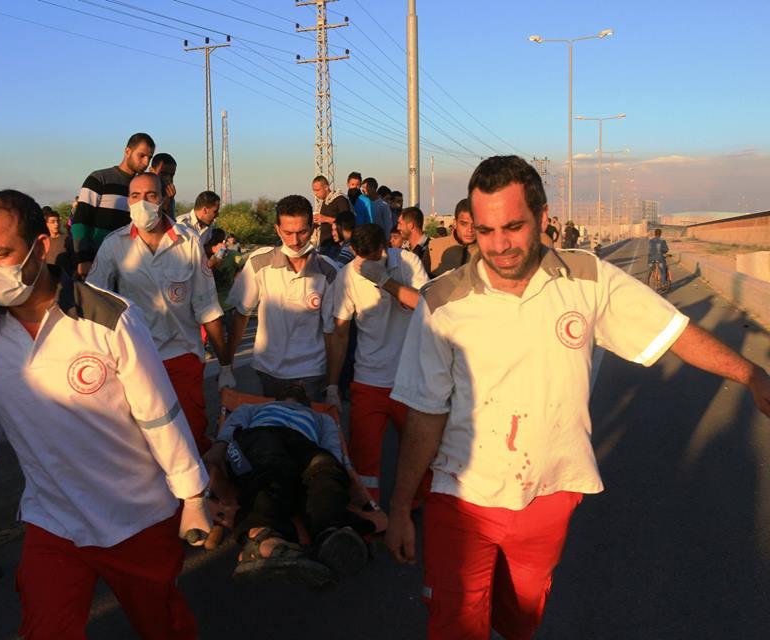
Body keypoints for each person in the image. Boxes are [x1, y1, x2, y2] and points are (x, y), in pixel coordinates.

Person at [385, 155, 770, 639]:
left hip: (550, 494)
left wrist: (750, 373)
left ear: (542, 217)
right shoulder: (442, 303)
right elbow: (425, 413)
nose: (499, 245)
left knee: (520, 619)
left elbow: (670, 331)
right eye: (485, 231)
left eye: (513, 227)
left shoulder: (587, 279)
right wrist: (400, 506)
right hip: (460, 497)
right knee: (456, 623)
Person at [0, 189, 211, 639]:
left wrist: (191, 495)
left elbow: (157, 413)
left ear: (40, 246)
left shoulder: (108, 318)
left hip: (137, 517)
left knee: (163, 626)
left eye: (1, 254)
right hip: (53, 520)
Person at [87, 173, 229, 453]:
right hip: (134, 361)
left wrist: (226, 366)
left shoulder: (188, 242)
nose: (142, 203)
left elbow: (208, 308)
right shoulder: (114, 245)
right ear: (128, 201)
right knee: (143, 448)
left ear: (163, 199)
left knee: (190, 440)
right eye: (135, 196)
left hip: (183, 356)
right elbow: (93, 303)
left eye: (151, 195)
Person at [204, 385, 370, 585]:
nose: (298, 385)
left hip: (303, 446)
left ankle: (330, 531)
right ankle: (262, 537)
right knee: (271, 465)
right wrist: (220, 446)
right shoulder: (252, 408)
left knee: (324, 466)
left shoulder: (322, 418)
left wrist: (343, 474)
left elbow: (332, 449)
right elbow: (232, 425)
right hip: (260, 437)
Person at [327, 224, 428, 503]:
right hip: (368, 380)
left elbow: (425, 306)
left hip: (411, 380)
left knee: (418, 452)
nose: (371, 262)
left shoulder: (408, 262)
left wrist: (385, 280)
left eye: (376, 256)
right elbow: (340, 332)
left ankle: (413, 508)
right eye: (364, 257)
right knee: (364, 457)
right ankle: (368, 510)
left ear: (386, 245)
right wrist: (333, 384)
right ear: (353, 251)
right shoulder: (348, 276)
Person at [225, 195, 339, 400]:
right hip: (269, 370)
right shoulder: (259, 263)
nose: (295, 241)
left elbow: (332, 333)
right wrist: (226, 366)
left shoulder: (328, 271)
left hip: (311, 373)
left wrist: (332, 385)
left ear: (313, 229)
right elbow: (241, 315)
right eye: (288, 233)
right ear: (277, 229)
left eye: (302, 232)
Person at [71, 132, 156, 278]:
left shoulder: (142, 188)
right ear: (127, 151)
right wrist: (83, 258)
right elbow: (81, 221)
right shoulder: (99, 179)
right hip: (96, 263)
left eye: (149, 157)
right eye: (141, 156)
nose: (145, 162)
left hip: (128, 268)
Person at [312, 175, 351, 253]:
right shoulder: (322, 203)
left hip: (336, 246)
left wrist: (325, 219)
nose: (315, 193)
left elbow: (347, 221)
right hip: (323, 245)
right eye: (314, 191)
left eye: (317, 190)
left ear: (326, 187)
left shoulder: (340, 199)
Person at [397, 206, 432, 277]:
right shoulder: (403, 249)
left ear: (411, 225)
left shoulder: (431, 248)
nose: (398, 227)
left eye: (400, 224)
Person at [150, 152, 177, 217]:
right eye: (163, 174)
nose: (168, 179)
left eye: (171, 175)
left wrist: (169, 202)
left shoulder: (168, 196)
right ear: (151, 171)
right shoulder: (141, 191)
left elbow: (170, 221)